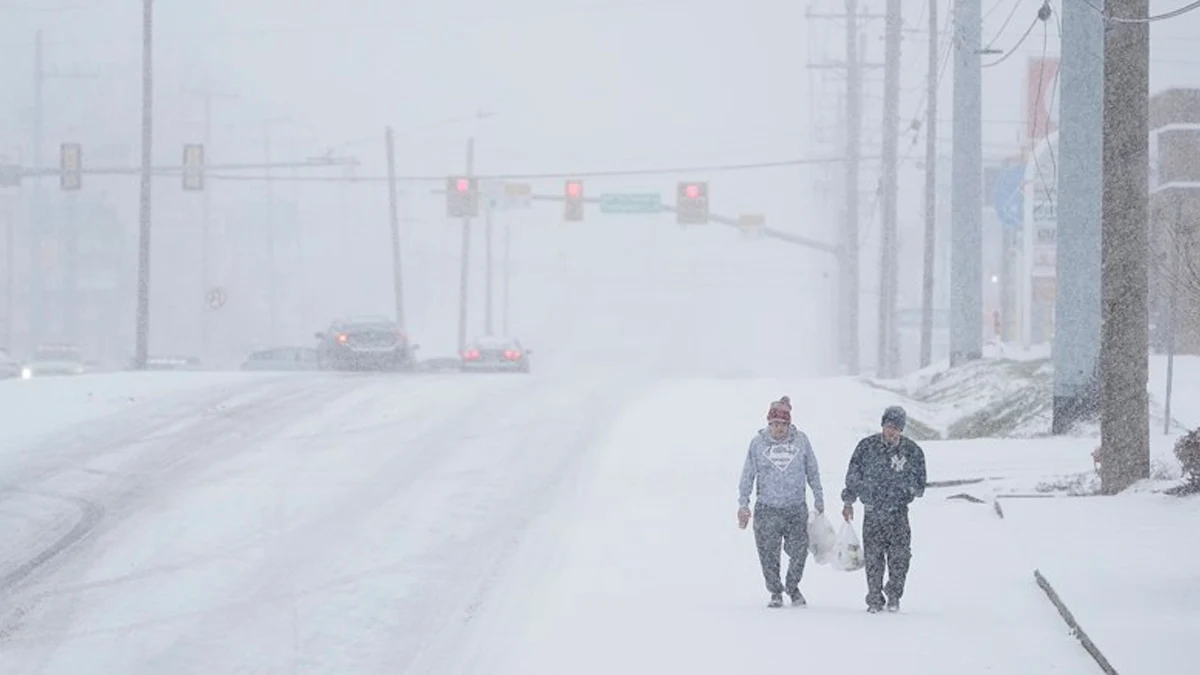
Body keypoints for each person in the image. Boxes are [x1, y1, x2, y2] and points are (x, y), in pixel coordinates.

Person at [738, 396, 825, 608]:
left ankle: (793, 586)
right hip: (767, 508)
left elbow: (811, 470)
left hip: (795, 508)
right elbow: (748, 474)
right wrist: (743, 503)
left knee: (799, 550)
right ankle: (775, 591)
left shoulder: (801, 441)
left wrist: (818, 497)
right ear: (769, 424)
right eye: (774, 424)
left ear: (789, 424)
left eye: (783, 424)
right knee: (768, 553)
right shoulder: (758, 443)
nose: (778, 429)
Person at [840, 405, 927, 613]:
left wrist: (906, 489)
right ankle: (874, 599)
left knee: (901, 557)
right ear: (882, 425)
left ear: (902, 429)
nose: (892, 431)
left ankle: (894, 594)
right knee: (873, 558)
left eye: (897, 427)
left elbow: (920, 484)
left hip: (898, 513)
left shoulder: (912, 451)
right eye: (889, 426)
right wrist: (848, 501)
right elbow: (852, 477)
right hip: (872, 512)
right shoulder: (866, 447)